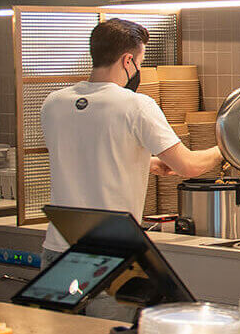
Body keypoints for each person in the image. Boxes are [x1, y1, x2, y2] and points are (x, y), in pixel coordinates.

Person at [39, 19, 222, 319]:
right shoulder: (137, 106)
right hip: (112, 256)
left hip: (59, 250)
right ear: (127, 60)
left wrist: (144, 163)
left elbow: (80, 157)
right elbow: (188, 166)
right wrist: (224, 149)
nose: (138, 70)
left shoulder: (53, 103)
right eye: (140, 62)